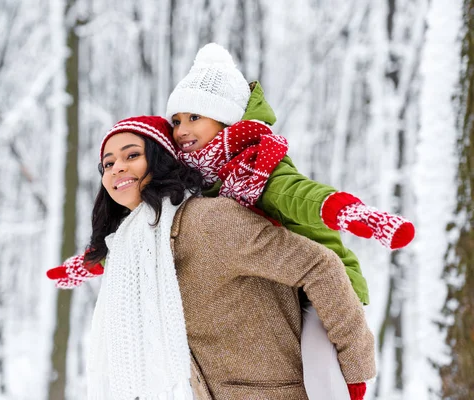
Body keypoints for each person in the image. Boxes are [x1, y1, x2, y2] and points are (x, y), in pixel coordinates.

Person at [47, 115, 376, 400]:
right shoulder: (130, 249)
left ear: (160, 160)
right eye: (107, 163)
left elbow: (321, 266)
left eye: (132, 154)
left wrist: (354, 376)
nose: (117, 167)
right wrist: (80, 266)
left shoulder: (211, 221)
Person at [163, 42, 414, 399]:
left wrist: (351, 212)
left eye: (194, 118)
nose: (182, 129)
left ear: (224, 119)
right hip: (276, 279)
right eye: (176, 120)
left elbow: (299, 195)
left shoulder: (258, 163)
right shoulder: (196, 179)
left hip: (321, 285)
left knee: (319, 364)